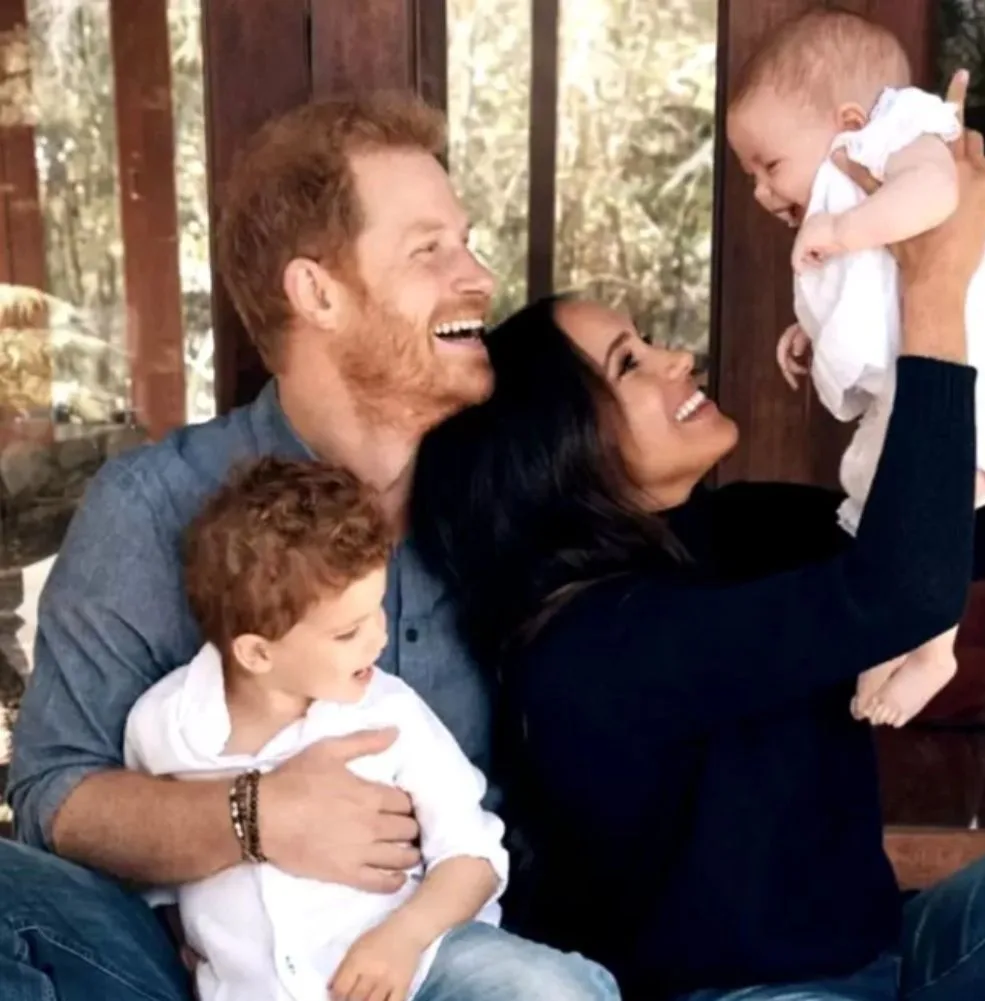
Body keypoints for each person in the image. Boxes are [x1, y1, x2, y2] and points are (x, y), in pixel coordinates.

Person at [409, 111, 985, 1001]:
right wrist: (928, 299)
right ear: (554, 449)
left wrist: (938, 294)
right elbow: (898, 591)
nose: (678, 359)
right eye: (631, 362)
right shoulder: (585, 648)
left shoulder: (740, 527)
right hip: (743, 996)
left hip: (891, 952)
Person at [1, 93, 617, 1001]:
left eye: (467, 239)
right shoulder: (153, 505)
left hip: (440, 963)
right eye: (429, 250)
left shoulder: (501, 502)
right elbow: (55, 799)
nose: (479, 275)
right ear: (316, 292)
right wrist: (255, 816)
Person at [123, 457, 610, 1001]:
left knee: (547, 988)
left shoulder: (389, 713)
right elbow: (153, 875)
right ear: (258, 652)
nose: (378, 640)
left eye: (378, 609)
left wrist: (400, 943)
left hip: (423, 972)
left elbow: (473, 856)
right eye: (348, 631)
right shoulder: (165, 726)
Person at [725, 8, 985, 727]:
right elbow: (877, 291)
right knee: (882, 500)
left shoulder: (902, 135)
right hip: (920, 374)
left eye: (770, 165)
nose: (764, 193)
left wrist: (843, 228)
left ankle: (933, 649)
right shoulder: (850, 190)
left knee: (934, 502)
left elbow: (936, 197)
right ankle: (897, 635)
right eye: (750, 177)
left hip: (972, 371)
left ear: (850, 119)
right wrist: (809, 328)